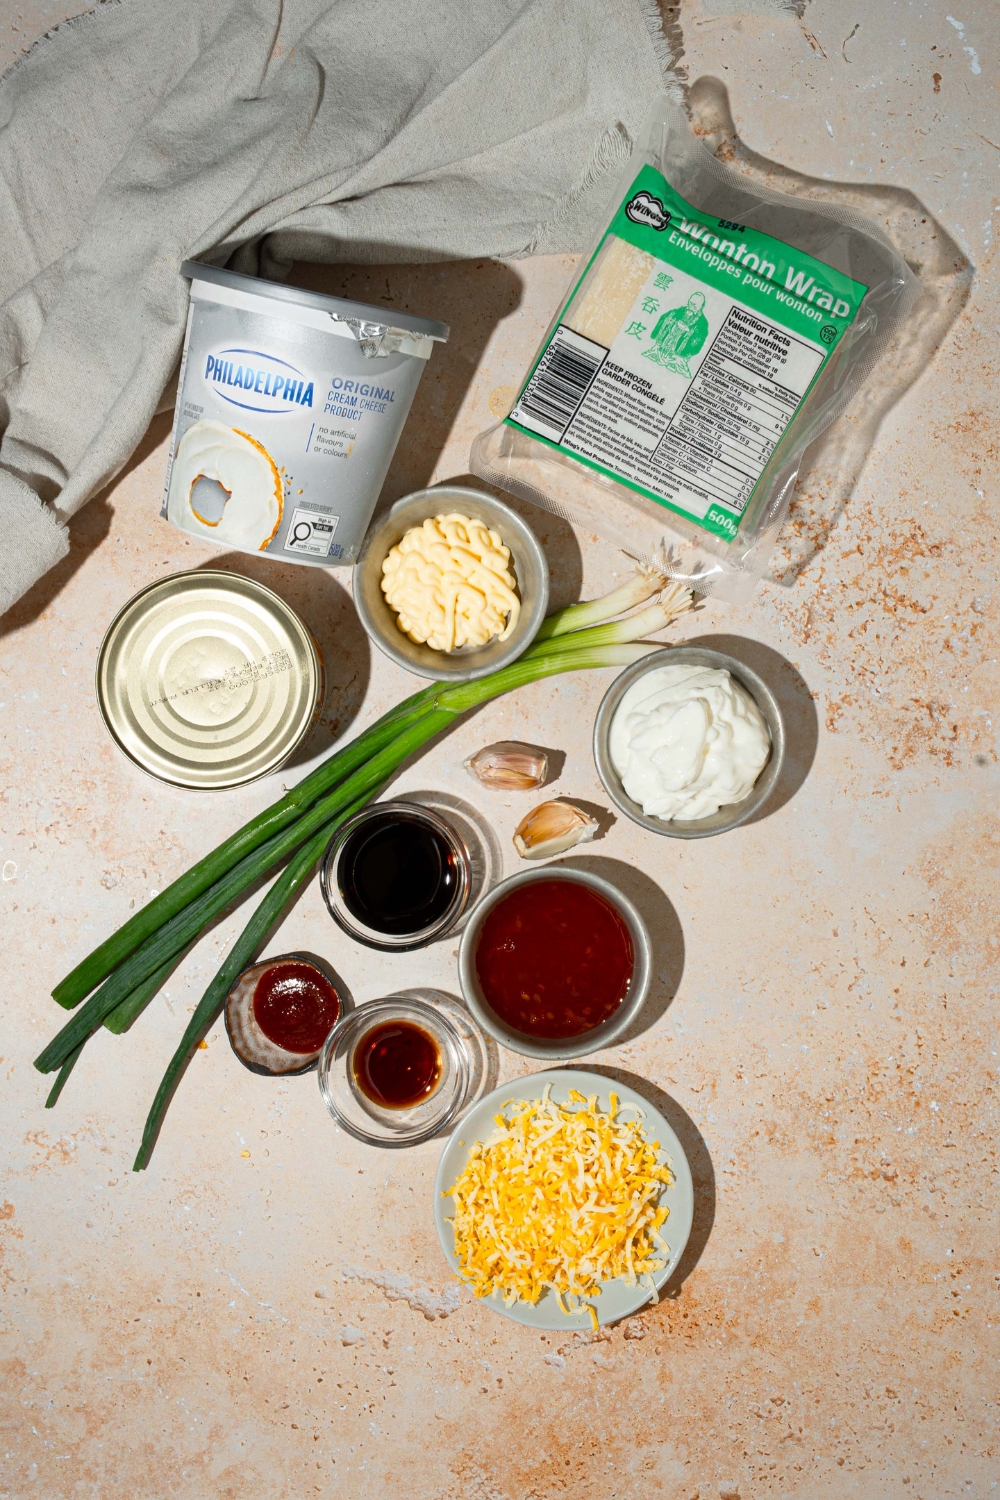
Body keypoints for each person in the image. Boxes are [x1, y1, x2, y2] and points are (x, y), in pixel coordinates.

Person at [641, 291, 710, 378]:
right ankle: (658, 353)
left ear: (701, 306)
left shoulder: (702, 323)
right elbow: (666, 317)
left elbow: (699, 337)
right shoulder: (679, 311)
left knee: (677, 362)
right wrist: (673, 322)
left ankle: (673, 362)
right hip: (664, 345)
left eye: (694, 306)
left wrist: (688, 330)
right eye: (690, 303)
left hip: (679, 353)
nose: (691, 307)